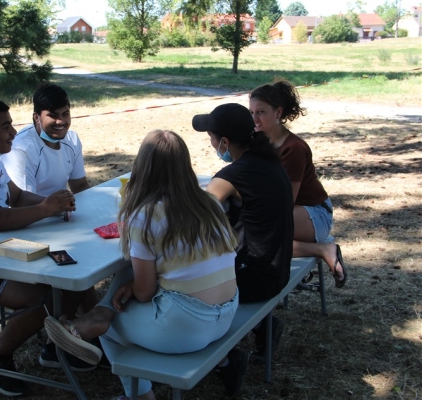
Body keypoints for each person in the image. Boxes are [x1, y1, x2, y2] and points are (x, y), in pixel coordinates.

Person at [43, 130, 240, 400]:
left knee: (111, 328)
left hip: (186, 327)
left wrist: (134, 286)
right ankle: (99, 314)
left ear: (142, 167)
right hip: (227, 313)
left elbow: (145, 292)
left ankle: (139, 393)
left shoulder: (145, 215)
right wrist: (132, 284)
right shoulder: (209, 203)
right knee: (128, 273)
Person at [0, 97, 91, 397]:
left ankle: (53, 347)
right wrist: (46, 209)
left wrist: (55, 203)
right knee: (50, 294)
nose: (13, 133)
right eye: (5, 126)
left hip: (7, 251)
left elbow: (18, 198)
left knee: (74, 280)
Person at [192, 103, 295, 395]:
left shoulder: (232, 174)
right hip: (278, 269)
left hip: (255, 279)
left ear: (225, 142)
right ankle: (265, 327)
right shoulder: (270, 160)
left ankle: (226, 360)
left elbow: (195, 217)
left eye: (211, 136)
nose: (211, 143)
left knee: (185, 283)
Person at [249, 79, 347, 288]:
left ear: (278, 113)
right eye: (251, 113)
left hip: (314, 213)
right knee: (249, 238)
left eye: (261, 112)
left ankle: (323, 249)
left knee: (255, 234)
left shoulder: (293, 148)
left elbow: (286, 200)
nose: (255, 119)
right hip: (286, 211)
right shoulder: (258, 141)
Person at [0, 83, 90, 197]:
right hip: (33, 212)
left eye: (65, 114)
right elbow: (23, 202)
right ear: (36, 117)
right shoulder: (21, 150)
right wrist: (58, 208)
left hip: (61, 209)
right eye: (53, 115)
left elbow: (80, 186)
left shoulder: (72, 140)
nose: (60, 121)